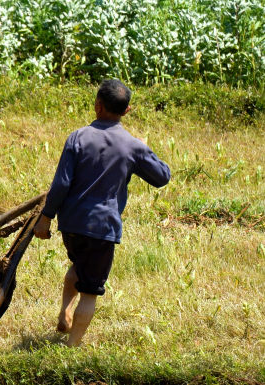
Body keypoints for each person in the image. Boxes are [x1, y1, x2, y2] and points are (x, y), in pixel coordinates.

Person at [32, 79, 171, 347]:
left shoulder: (78, 137)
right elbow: (162, 177)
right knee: (90, 292)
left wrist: (46, 217)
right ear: (127, 110)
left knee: (78, 265)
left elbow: (61, 184)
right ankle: (72, 348)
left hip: (71, 224)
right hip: (102, 227)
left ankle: (64, 314)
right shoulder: (132, 146)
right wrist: (145, 147)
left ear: (97, 105)